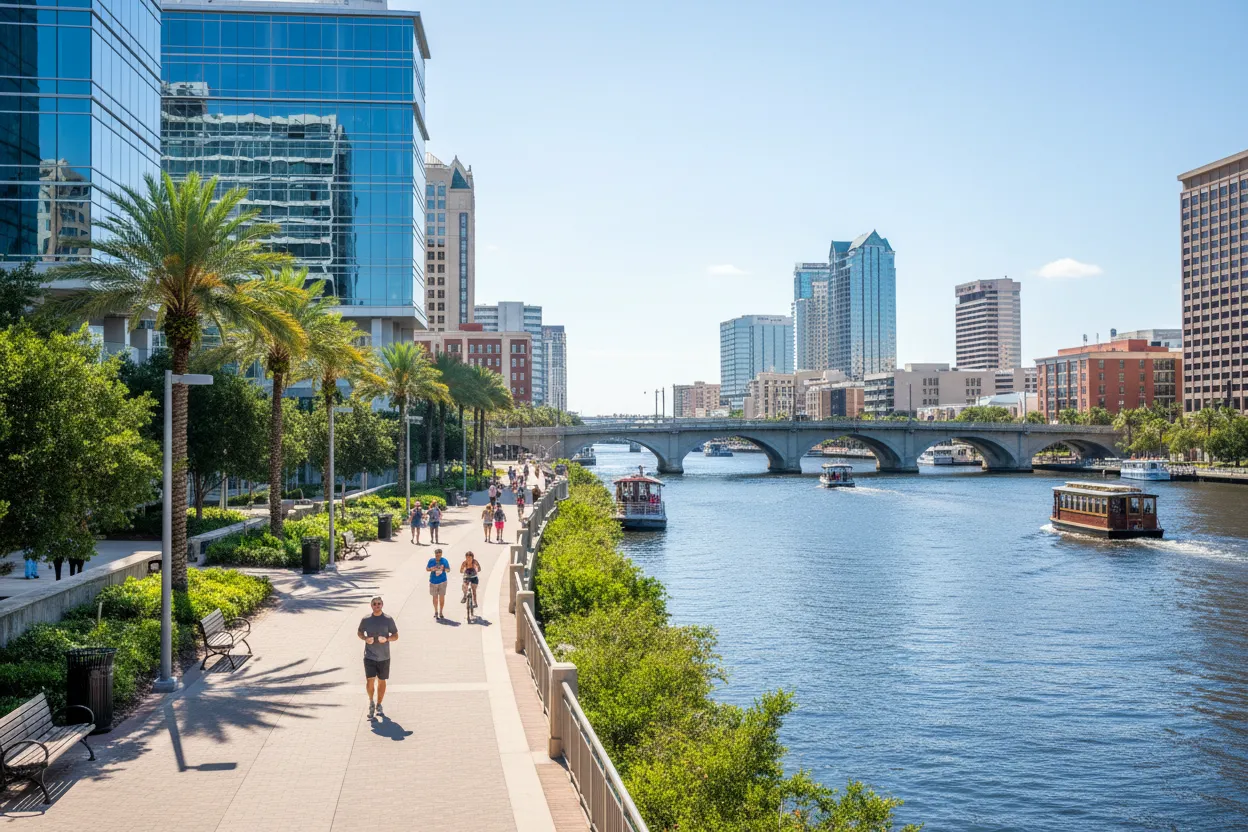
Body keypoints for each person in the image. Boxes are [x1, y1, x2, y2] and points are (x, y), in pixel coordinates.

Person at [358, 596, 398, 719]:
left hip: (384, 657)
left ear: (382, 605)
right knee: (370, 680)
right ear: (371, 606)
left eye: (379, 604)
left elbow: (395, 635)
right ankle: (371, 702)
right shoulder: (366, 619)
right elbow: (359, 632)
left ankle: (379, 704)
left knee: (382, 681)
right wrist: (365, 638)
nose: (377, 605)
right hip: (369, 655)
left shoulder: (388, 619)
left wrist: (387, 639)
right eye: (374, 604)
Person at [427, 548, 450, 619]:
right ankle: (436, 611)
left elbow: (448, 570)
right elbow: (427, 569)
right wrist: (431, 569)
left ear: (441, 555)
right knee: (435, 597)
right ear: (435, 555)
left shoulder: (444, 561)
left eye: (439, 555)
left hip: (442, 581)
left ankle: (441, 612)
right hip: (433, 581)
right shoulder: (431, 561)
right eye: (437, 555)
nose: (438, 557)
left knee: (442, 597)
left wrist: (443, 569)